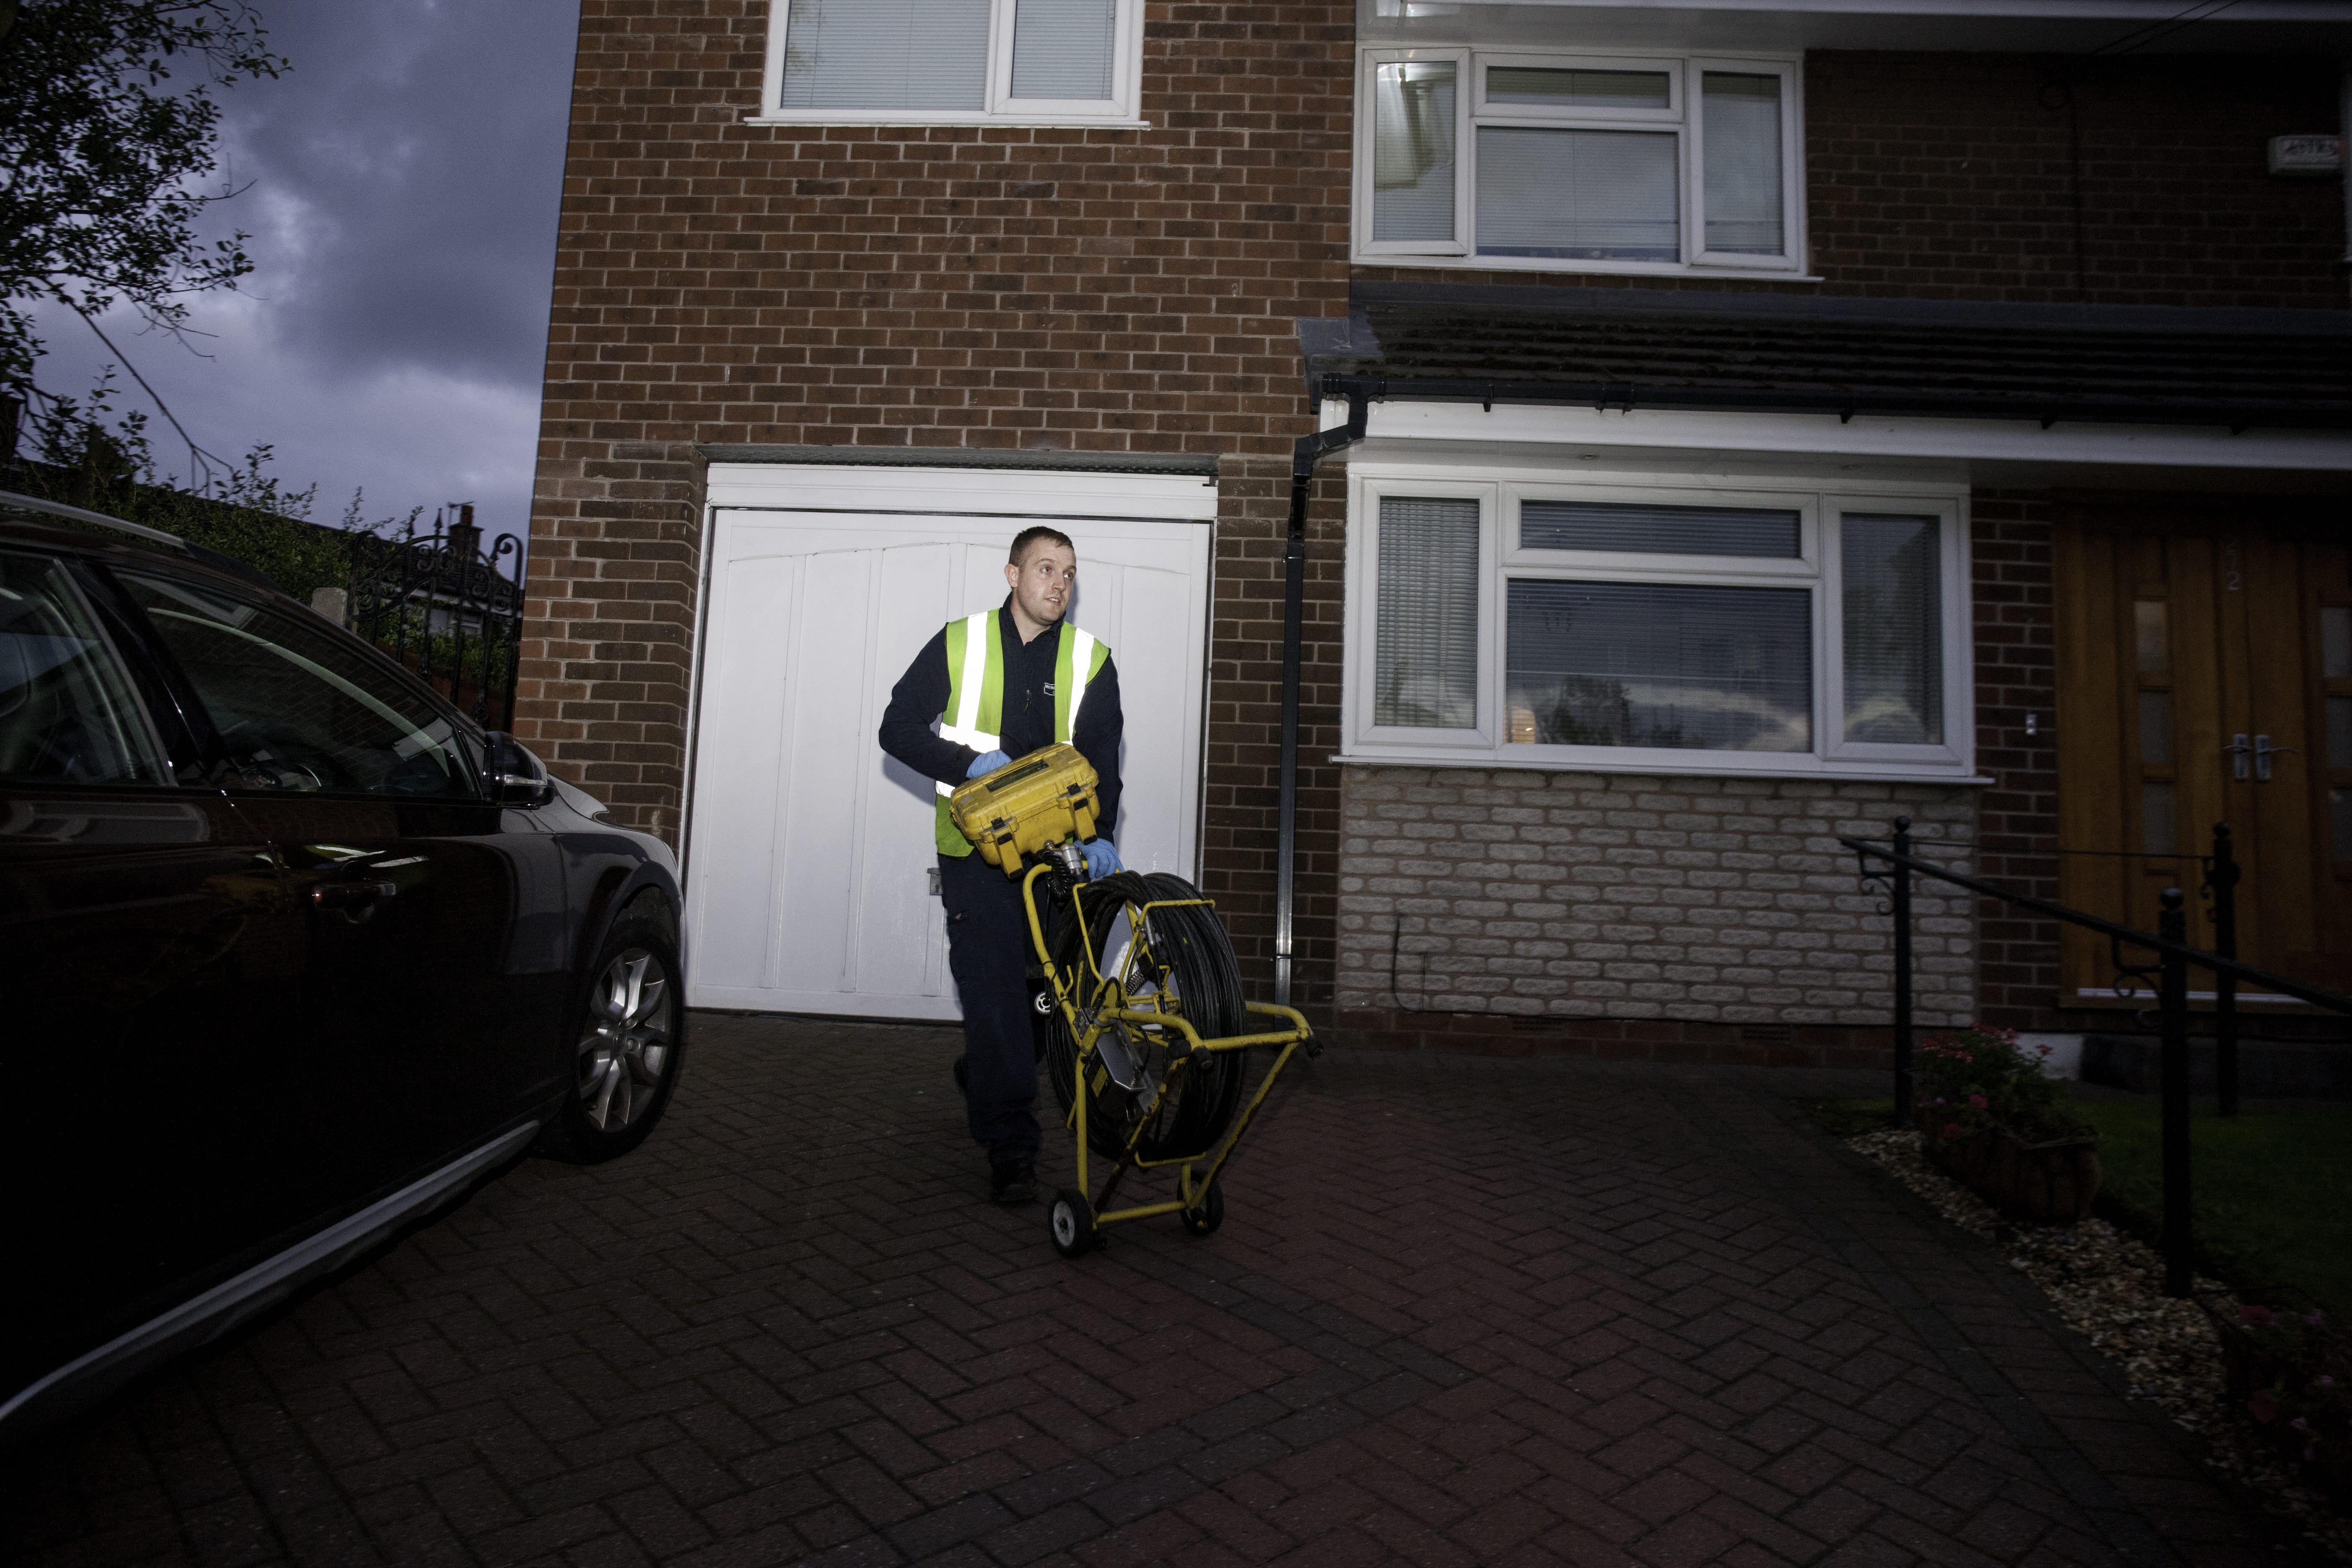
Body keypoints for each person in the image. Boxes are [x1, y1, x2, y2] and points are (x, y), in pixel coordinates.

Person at [878, 526, 1124, 1204]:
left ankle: (985, 1069)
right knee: (993, 997)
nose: (1059, 584)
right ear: (1013, 574)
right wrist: (965, 767)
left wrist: (1100, 835)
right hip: (976, 854)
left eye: (1069, 573)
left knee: (1042, 1001)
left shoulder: (1090, 660)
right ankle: (1011, 1146)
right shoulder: (959, 642)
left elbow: (1104, 763)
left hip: (1058, 855)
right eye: (1046, 569)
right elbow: (895, 730)